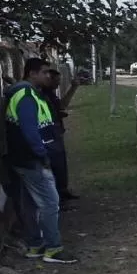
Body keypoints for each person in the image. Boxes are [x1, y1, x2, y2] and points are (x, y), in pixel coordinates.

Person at [4, 58, 77, 264]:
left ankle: (35, 245)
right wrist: (42, 155)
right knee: (50, 203)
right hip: (32, 159)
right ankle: (53, 249)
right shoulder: (26, 96)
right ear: (32, 73)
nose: (48, 76)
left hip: (24, 158)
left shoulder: (31, 94)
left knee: (30, 204)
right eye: (44, 72)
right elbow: (30, 131)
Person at [43, 68, 80, 203]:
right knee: (55, 166)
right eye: (56, 81)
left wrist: (73, 87)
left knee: (61, 165)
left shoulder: (51, 95)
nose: (58, 84)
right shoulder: (43, 95)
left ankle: (63, 191)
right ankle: (58, 197)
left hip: (57, 132)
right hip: (50, 135)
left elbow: (62, 106)